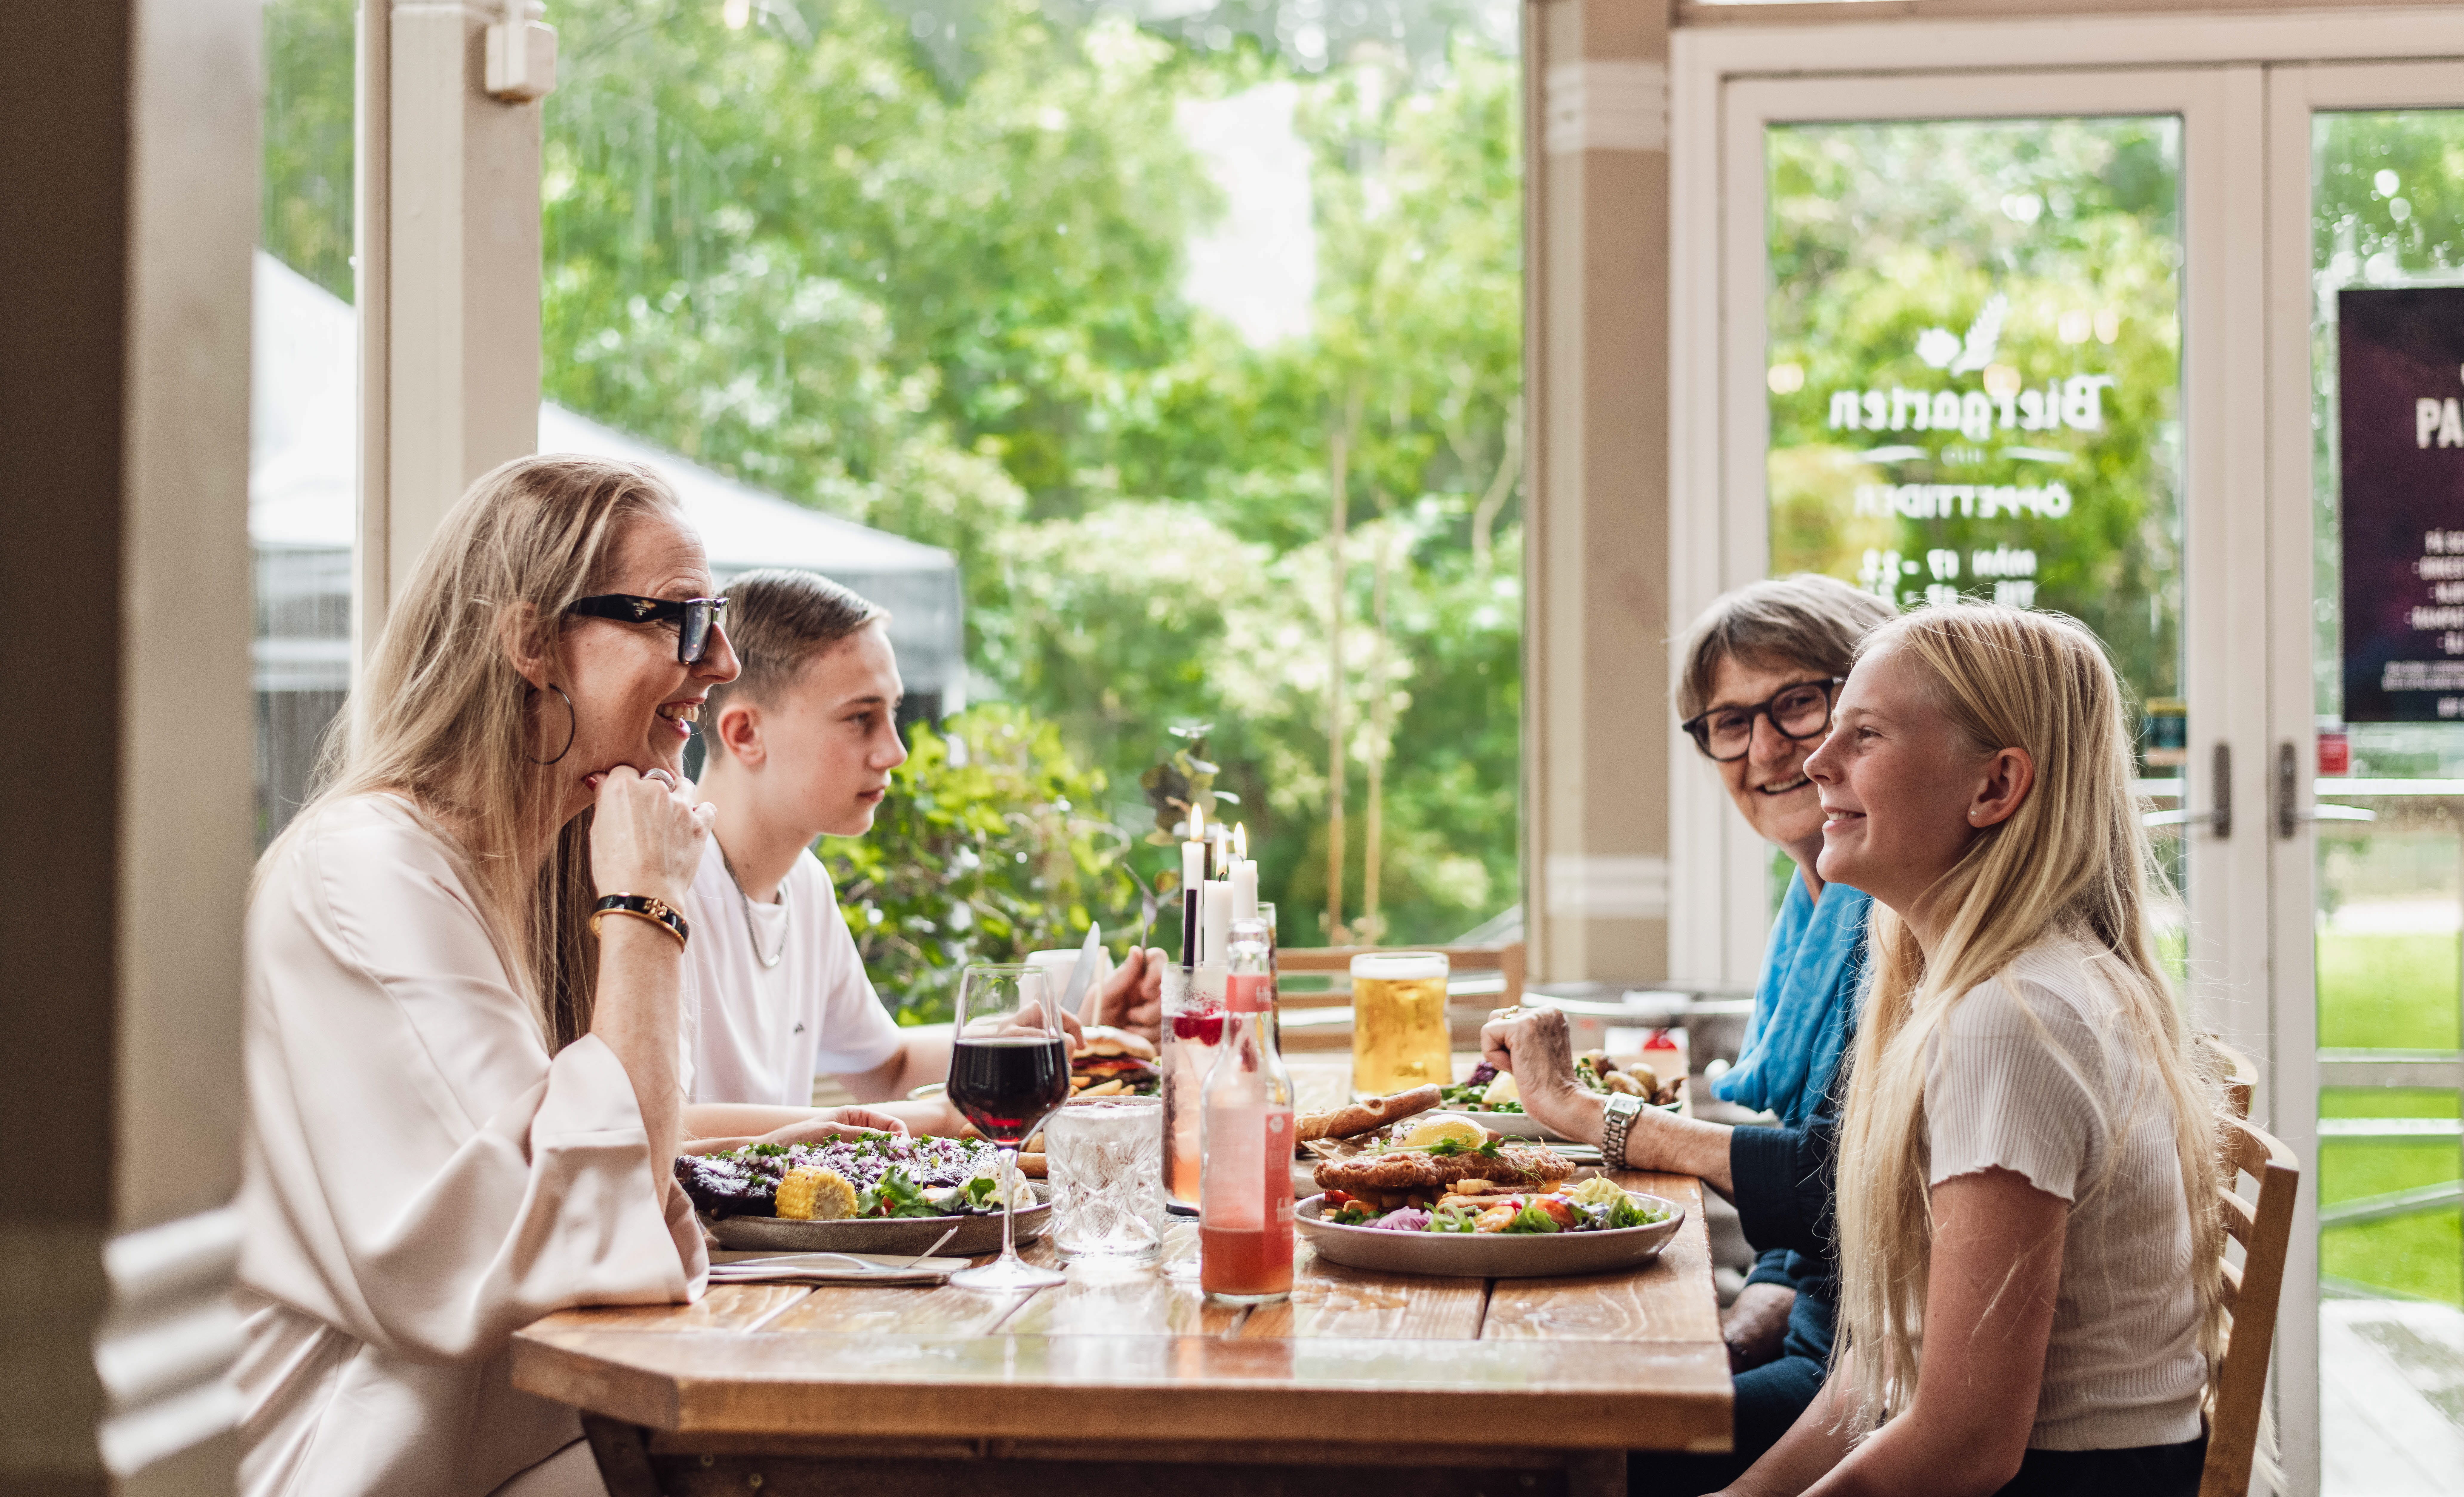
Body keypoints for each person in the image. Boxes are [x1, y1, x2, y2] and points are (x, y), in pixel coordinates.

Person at [236, 456, 889, 1497]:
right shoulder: (362, 870)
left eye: (714, 618)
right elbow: (581, 1226)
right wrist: (647, 908)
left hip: (539, 1449)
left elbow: (623, 1184)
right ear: (532, 642)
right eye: (679, 616)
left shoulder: (537, 873)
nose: (720, 659)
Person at [1721, 603, 2224, 1497]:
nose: (1814, 762)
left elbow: (1965, 1445)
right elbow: (1875, 1373)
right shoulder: (1966, 992)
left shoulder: (2015, 1022)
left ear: (1995, 787)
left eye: (1863, 735)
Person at [1482, 574, 1890, 1482]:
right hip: (1831, 1341)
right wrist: (1758, 1305)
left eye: (1796, 703)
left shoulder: (1899, 920)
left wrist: (1590, 1113)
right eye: (1729, 723)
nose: (1770, 749)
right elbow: (1819, 1179)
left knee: (1536, 1451)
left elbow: (1846, 1186)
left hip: (1865, 1388)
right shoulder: (1815, 909)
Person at [677, 568, 1165, 1142]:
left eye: (893, 712)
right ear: (744, 734)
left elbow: (890, 1067)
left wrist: (1055, 1028)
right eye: (861, 718)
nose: (896, 750)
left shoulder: (804, 884)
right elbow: (661, 1126)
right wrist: (941, 1113)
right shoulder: (661, 880)